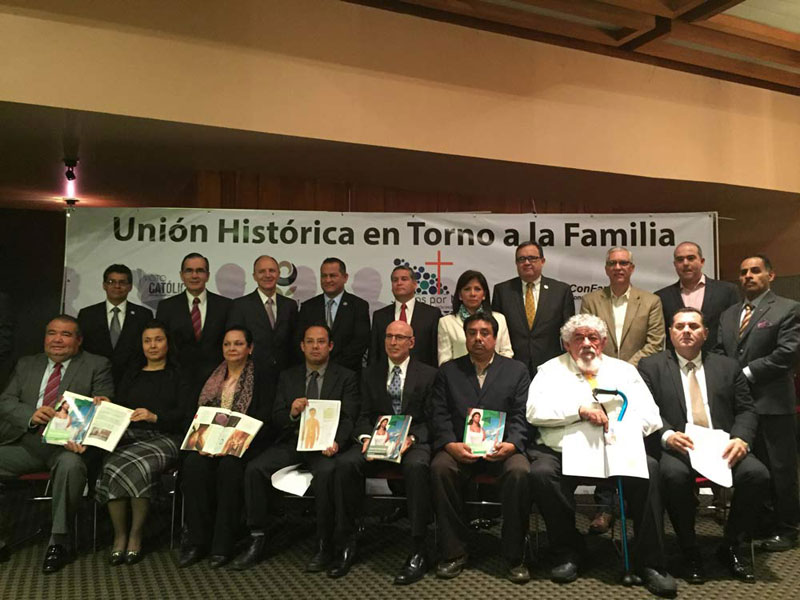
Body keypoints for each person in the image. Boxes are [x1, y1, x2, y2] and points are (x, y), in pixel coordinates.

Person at [526, 314, 676, 598]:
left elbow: (651, 416)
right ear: (566, 344)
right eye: (578, 338)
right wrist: (579, 411)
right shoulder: (549, 371)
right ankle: (569, 551)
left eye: (592, 337)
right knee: (542, 473)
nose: (586, 343)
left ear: (603, 342)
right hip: (563, 450)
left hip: (616, 448)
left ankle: (651, 562)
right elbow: (534, 412)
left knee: (650, 469)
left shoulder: (625, 371)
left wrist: (622, 427)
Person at [639, 308, 768, 583]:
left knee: (757, 475)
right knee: (673, 475)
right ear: (670, 332)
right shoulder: (650, 366)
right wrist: (667, 435)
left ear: (705, 333)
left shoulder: (728, 366)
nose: (686, 331)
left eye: (694, 326)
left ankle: (731, 546)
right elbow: (646, 411)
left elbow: (746, 409)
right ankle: (690, 550)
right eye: (680, 326)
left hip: (722, 445)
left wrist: (741, 438)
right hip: (679, 446)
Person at [232, 324, 359, 574]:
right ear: (302, 346)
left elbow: (349, 417)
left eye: (320, 342)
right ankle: (257, 536)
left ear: (330, 346)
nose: (315, 347)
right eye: (309, 342)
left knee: (326, 473)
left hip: (325, 446)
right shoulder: (288, 376)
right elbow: (276, 416)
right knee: (255, 469)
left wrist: (337, 442)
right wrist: (291, 413)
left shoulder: (346, 377)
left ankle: (324, 544)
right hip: (294, 442)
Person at [0, 315, 113, 572]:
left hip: (66, 447)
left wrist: (100, 407)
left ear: (79, 340)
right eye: (52, 333)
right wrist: (30, 415)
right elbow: (5, 401)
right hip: (27, 442)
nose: (57, 340)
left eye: (66, 334)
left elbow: (105, 406)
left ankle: (59, 541)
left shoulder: (96, 365)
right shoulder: (27, 364)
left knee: (71, 467)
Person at [430, 313, 531, 583]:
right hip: (460, 448)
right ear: (465, 337)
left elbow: (521, 415)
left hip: (503, 450)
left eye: (485, 333)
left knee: (520, 472)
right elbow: (439, 414)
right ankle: (454, 552)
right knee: (440, 467)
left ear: (495, 338)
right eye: (472, 333)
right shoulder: (449, 371)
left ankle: (514, 555)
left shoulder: (516, 370)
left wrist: (513, 444)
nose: (478, 338)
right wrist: (449, 444)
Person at [335, 320, 438, 584]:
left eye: (400, 337)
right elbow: (362, 415)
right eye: (389, 336)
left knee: (417, 467)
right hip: (377, 441)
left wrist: (412, 438)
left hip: (411, 443)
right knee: (346, 464)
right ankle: (348, 540)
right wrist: (366, 438)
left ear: (411, 342)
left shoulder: (429, 374)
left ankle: (418, 547)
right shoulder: (369, 373)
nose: (393, 342)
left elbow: (433, 419)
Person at [717, 254, 800, 551]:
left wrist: (744, 374)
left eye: (755, 271)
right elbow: (720, 352)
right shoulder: (729, 315)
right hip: (739, 409)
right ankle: (761, 523)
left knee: (781, 469)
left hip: (773, 405)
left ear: (771, 275)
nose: (748, 276)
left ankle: (788, 529)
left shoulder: (788, 308)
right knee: (754, 469)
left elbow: (788, 353)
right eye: (743, 272)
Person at [580, 247, 665, 533]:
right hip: (598, 382)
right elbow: (585, 337)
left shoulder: (651, 301)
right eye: (613, 263)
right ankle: (605, 507)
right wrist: (606, 369)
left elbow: (655, 343)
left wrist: (623, 368)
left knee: (633, 441)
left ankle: (632, 503)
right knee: (602, 438)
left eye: (624, 263)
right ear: (606, 268)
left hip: (637, 381)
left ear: (632, 268)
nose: (618, 267)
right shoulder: (591, 300)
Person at [94, 320, 190, 566]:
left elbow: (186, 414)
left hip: (166, 437)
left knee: (141, 467)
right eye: (147, 341)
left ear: (168, 343)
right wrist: (108, 404)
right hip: (130, 437)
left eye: (158, 339)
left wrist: (155, 416)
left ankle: (136, 536)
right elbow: (121, 408)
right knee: (111, 466)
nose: (152, 345)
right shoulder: (132, 373)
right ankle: (120, 536)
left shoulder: (180, 374)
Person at [178, 326, 271, 569]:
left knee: (229, 469)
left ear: (250, 348)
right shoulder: (209, 375)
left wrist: (232, 443)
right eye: (227, 344)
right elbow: (193, 413)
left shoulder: (263, 377)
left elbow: (265, 419)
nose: (232, 349)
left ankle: (223, 545)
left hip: (244, 445)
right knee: (194, 465)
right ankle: (197, 541)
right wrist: (201, 442)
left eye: (238, 344)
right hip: (208, 443)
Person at [492, 241, 575, 377]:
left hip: (551, 366)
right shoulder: (502, 291)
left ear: (542, 261)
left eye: (532, 258)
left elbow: (569, 333)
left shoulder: (561, 291)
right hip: (512, 365)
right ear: (516, 263)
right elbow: (497, 332)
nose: (527, 262)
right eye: (521, 259)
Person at [156, 252, 231, 399]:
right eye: (189, 271)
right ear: (181, 275)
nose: (194, 276)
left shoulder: (225, 306)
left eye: (200, 271)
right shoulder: (167, 307)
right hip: (176, 384)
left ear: (207, 275)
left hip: (216, 384)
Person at [227, 255, 298, 404]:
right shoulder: (240, 306)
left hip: (284, 379)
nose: (267, 275)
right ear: (254, 276)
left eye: (272, 270)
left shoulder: (290, 305)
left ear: (278, 274)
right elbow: (234, 343)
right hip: (252, 380)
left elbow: (294, 343)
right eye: (262, 271)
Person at [77, 264, 153, 386]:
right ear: (104, 285)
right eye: (111, 282)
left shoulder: (143, 315)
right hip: (94, 380)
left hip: (132, 381)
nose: (117, 286)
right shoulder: (87, 314)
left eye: (122, 282)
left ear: (130, 287)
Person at [655, 241, 739, 352]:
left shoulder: (727, 291)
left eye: (691, 258)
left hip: (718, 358)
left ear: (702, 261)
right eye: (680, 260)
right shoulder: (662, 297)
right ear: (675, 264)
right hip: (676, 360)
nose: (685, 263)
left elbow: (734, 331)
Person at [297, 258, 370, 373]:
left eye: (333, 276)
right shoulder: (308, 307)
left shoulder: (359, 306)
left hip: (347, 374)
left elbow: (360, 343)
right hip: (314, 373)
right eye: (324, 276)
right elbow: (300, 341)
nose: (328, 280)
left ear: (345, 277)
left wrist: (331, 368)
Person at [369, 265, 441, 367]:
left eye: (404, 279)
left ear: (414, 284)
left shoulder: (431, 314)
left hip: (423, 373)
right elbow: (374, 353)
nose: (399, 283)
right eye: (395, 280)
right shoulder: (380, 316)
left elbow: (435, 351)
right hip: (387, 373)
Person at [437, 270, 512, 365]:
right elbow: (444, 360)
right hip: (460, 373)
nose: (472, 294)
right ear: (460, 295)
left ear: (484, 295)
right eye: (467, 289)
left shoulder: (499, 319)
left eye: (477, 289)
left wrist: (492, 371)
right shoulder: (446, 322)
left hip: (496, 372)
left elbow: (506, 352)